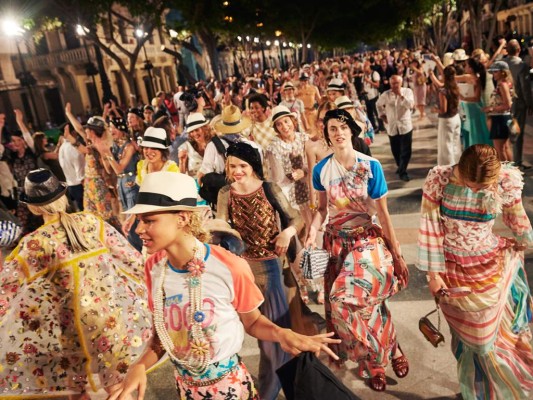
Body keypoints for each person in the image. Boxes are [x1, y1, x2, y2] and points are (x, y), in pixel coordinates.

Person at [108, 171, 340, 400]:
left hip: (231, 389)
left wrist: (282, 333)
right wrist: (139, 366)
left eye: (149, 220)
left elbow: (253, 322)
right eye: (139, 221)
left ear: (182, 217)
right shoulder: (153, 269)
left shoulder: (229, 266)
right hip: (185, 389)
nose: (139, 230)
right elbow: (163, 334)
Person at [0, 169, 151, 399]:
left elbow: (6, 291)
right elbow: (132, 260)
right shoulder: (91, 222)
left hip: (71, 333)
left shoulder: (34, 244)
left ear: (34, 207)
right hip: (109, 323)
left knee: (77, 391)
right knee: (119, 388)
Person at [417, 144, 533, 400]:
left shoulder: (506, 180)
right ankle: (473, 388)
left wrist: (525, 239)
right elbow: (430, 227)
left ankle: (500, 386)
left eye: (482, 188)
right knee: (464, 338)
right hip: (452, 269)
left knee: (485, 338)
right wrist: (434, 275)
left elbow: (516, 217)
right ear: (460, 168)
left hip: (489, 263)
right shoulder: (440, 179)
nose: (476, 190)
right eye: (472, 184)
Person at [305, 108, 409, 392]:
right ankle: (388, 351)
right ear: (326, 135)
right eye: (332, 129)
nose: (338, 133)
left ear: (351, 130)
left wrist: (397, 254)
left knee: (344, 299)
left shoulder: (370, 166)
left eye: (342, 127)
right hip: (336, 242)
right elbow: (322, 210)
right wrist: (313, 229)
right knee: (365, 305)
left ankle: (378, 355)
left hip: (366, 240)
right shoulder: (321, 170)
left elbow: (384, 216)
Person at [216, 142, 302, 400]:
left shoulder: (268, 188)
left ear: (253, 165)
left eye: (242, 165)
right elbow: (221, 226)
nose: (237, 171)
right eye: (232, 166)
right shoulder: (225, 193)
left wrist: (287, 232)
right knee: (259, 334)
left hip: (269, 267)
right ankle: (286, 387)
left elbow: (296, 217)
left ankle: (268, 393)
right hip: (241, 269)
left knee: (274, 337)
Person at [266, 105, 312, 227]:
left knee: (315, 223)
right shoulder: (274, 147)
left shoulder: (303, 138)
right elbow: (278, 179)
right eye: (279, 124)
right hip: (288, 191)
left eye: (286, 121)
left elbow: (313, 162)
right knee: (299, 225)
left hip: (309, 185)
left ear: (293, 121)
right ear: (276, 128)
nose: (284, 127)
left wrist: (304, 171)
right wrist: (292, 176)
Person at [376, 74, 415, 181]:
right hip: (392, 126)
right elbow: (378, 104)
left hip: (405, 126)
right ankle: (400, 166)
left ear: (401, 83)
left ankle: (403, 171)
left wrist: (401, 96)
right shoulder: (386, 94)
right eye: (393, 84)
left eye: (397, 83)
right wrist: (382, 115)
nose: (395, 86)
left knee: (406, 150)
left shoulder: (408, 92)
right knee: (395, 150)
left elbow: (410, 106)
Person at [503, 39, 533, 169]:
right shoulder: (522, 65)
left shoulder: (502, 63)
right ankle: (517, 162)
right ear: (519, 50)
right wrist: (530, 103)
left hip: (504, 102)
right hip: (518, 103)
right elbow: (525, 87)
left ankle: (510, 160)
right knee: (517, 132)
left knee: (507, 133)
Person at [482, 61, 514, 161]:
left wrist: (491, 109)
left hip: (500, 119)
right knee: (505, 147)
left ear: (502, 72)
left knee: (500, 149)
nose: (493, 74)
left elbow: (507, 104)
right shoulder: (505, 83)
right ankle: (511, 172)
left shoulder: (502, 85)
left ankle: (506, 173)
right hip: (502, 118)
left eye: (495, 72)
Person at [433, 65, 461, 165]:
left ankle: (448, 169)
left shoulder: (443, 91)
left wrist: (435, 110)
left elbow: (443, 110)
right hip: (456, 118)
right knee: (455, 144)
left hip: (447, 120)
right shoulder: (455, 86)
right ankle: (457, 165)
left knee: (446, 146)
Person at [58, 123, 86, 211]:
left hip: (70, 185)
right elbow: (79, 167)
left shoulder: (61, 148)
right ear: (73, 132)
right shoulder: (73, 148)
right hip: (79, 185)